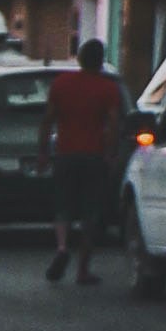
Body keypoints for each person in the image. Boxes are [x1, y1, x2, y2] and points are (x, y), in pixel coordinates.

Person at [43, 39, 128, 282]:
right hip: (94, 156)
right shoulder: (107, 88)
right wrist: (111, 153)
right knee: (90, 212)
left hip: (65, 154)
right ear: (100, 61)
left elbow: (48, 119)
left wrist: (43, 152)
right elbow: (113, 123)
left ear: (79, 58)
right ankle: (83, 269)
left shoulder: (61, 84)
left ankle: (62, 247)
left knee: (63, 206)